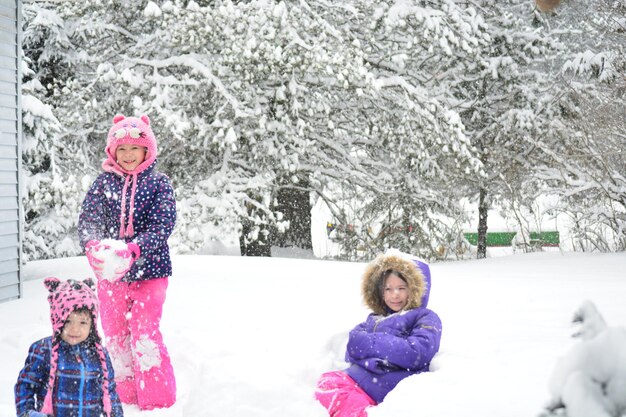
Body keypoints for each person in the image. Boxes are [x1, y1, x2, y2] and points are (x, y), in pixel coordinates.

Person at [77, 114, 177, 410]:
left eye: (135, 148)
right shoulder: (102, 183)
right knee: (116, 333)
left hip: (151, 270)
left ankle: (157, 401)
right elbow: (88, 221)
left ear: (148, 150)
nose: (129, 154)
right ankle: (123, 396)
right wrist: (93, 245)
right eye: (122, 149)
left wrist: (134, 248)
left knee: (145, 333)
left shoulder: (159, 183)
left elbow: (163, 224)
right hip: (111, 276)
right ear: (112, 152)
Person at [315, 250, 442, 417]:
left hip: (386, 384)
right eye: (388, 289)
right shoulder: (375, 318)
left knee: (346, 404)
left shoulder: (425, 317)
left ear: (416, 289)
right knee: (325, 384)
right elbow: (353, 345)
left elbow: (416, 352)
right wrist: (383, 351)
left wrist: (374, 345)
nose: (394, 294)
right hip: (357, 379)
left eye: (401, 288)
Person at [15, 277, 124, 417]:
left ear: (92, 325)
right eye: (67, 321)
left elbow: (109, 391)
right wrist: (27, 413)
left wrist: (115, 413)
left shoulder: (99, 354)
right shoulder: (43, 350)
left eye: (83, 323)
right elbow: (25, 385)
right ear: (57, 320)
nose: (74, 330)